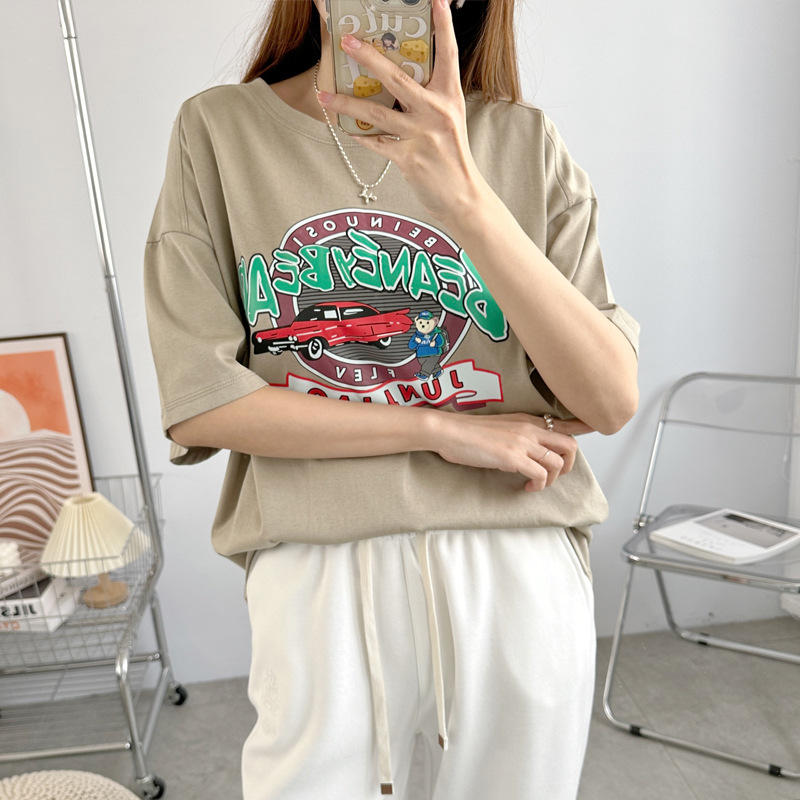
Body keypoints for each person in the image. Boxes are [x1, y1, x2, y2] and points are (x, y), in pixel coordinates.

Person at [143, 0, 639, 797]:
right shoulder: (221, 132)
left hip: (513, 554)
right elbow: (203, 401)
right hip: (316, 558)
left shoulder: (521, 140)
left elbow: (608, 398)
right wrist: (441, 429)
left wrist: (466, 197)